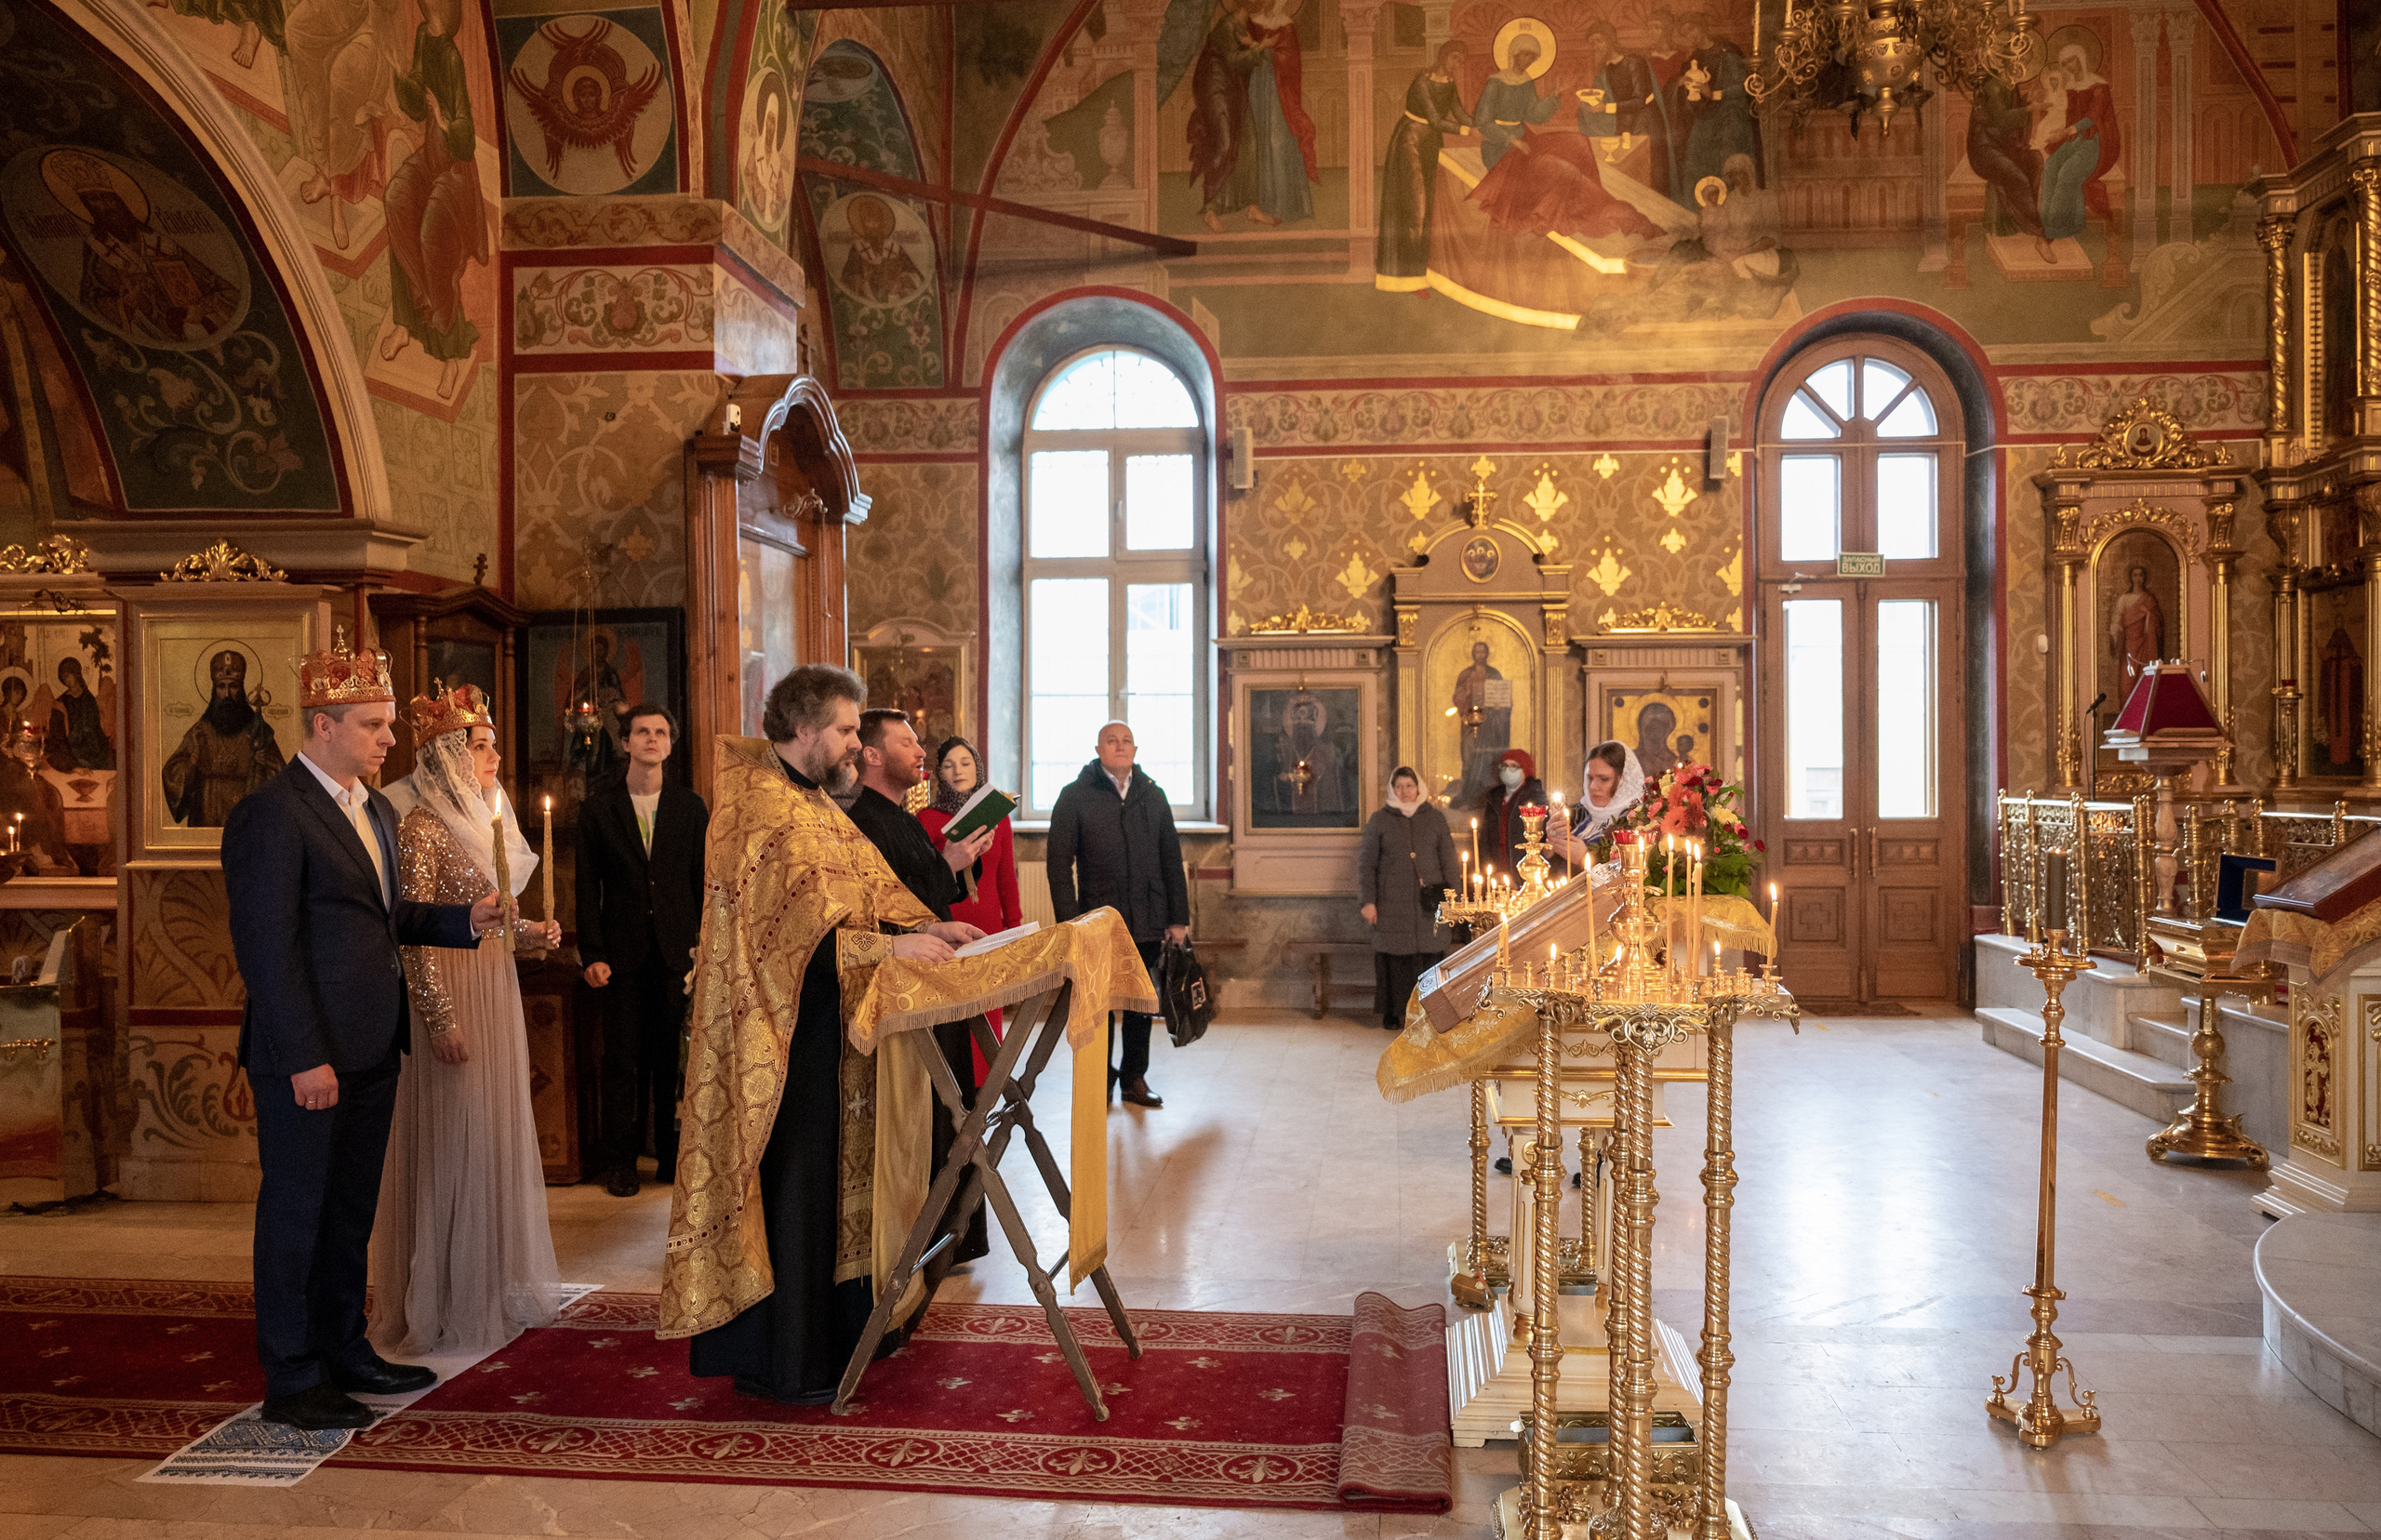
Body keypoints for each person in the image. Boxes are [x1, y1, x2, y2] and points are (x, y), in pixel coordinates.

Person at [664, 666, 981, 1403]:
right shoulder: (756, 806)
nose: (852, 744)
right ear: (803, 728)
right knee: (797, 1185)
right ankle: (786, 1360)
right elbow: (775, 940)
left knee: (836, 1186)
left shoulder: (811, 801)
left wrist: (925, 923)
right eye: (844, 729)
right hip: (779, 1042)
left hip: (832, 1033)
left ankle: (840, 1340)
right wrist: (887, 950)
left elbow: (864, 887)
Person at [221, 635, 504, 1430]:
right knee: (298, 1215)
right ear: (323, 725)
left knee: (350, 1214)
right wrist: (305, 1055)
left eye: (386, 725)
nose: (389, 739)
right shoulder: (272, 815)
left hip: (374, 1049)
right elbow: (267, 949)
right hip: (308, 1059)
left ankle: (346, 1349)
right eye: (374, 725)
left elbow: (386, 918)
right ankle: (293, 1374)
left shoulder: (373, 807)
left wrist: (463, 920)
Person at [370, 684, 567, 1355]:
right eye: (480, 748)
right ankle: (444, 1298)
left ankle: (490, 1283)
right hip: (450, 996)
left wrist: (536, 933)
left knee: (491, 1134)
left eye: (492, 748)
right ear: (448, 757)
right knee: (454, 1139)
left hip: (493, 984)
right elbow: (413, 932)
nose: (493, 761)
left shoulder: (487, 820)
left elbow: (497, 924)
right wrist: (436, 1016)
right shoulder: (421, 824)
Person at [844, 708, 994, 1264]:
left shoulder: (899, 815)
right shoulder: (863, 816)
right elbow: (879, 905)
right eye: (908, 743)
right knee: (935, 1110)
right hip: (904, 986)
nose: (920, 753)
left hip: (929, 973)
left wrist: (937, 918)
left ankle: (954, 1238)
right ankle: (935, 1238)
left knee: (952, 1104)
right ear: (874, 755)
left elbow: (914, 898)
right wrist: (951, 862)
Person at [576, 702, 709, 1199]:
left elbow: (702, 882)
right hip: (622, 954)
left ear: (670, 744)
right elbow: (588, 889)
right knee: (622, 1060)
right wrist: (592, 953)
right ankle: (620, 1161)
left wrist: (704, 947)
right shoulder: (599, 808)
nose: (651, 739)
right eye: (641, 732)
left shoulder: (690, 807)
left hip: (679, 954)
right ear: (626, 743)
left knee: (671, 1062)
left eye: (661, 732)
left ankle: (672, 1159)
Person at [1046, 721, 1188, 1109]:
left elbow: (1171, 859)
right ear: (1098, 749)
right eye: (1111, 740)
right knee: (1102, 1003)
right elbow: (1059, 867)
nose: (1120, 746)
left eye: (1126, 741)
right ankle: (1101, 1077)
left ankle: (1134, 1078)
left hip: (1147, 917)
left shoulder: (1153, 796)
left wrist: (1178, 917)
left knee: (1141, 1001)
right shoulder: (1074, 796)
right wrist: (1070, 923)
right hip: (1099, 923)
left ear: (1136, 750)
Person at [917, 736, 1021, 1085]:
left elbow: (1007, 878)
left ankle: (986, 1085)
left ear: (977, 769)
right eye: (948, 765)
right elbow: (924, 878)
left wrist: (1014, 927)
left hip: (989, 924)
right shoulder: (926, 819)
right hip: (949, 923)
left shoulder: (998, 818)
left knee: (988, 1010)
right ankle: (954, 1085)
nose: (957, 770)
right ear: (938, 774)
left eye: (965, 763)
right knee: (953, 1011)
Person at [1359, 767, 1459, 1030]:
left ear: (1419, 788)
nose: (1404, 792)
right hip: (1391, 902)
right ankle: (1393, 1012)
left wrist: (1454, 898)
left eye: (1409, 786)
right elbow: (1366, 865)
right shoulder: (1379, 820)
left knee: (1430, 955)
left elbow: (1449, 861)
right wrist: (1368, 901)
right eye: (1399, 786)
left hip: (1430, 903)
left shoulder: (1435, 819)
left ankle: (1431, 1010)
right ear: (1392, 789)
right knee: (1395, 959)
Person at [1374, 40, 1470, 290]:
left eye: (1461, 61)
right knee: (1416, 207)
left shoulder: (1449, 85)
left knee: (1430, 210)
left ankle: (1422, 274)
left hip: (1431, 147)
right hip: (1410, 143)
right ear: (1443, 56)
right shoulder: (1422, 83)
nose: (1456, 65)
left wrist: (1485, 125)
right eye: (1454, 58)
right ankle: (1408, 277)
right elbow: (1436, 119)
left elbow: (1460, 113)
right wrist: (1467, 130)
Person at [162, 649, 286, 828]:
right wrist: (192, 762)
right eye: (221, 687)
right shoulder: (200, 732)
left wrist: (269, 763)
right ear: (214, 690)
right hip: (207, 815)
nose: (227, 694)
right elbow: (171, 772)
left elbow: (282, 775)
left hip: (246, 821)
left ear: (242, 689)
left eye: (233, 686)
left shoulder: (258, 731)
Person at [1471, 33, 1557, 172]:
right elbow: (1483, 121)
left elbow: (1533, 115)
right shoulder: (1495, 82)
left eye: (1533, 57)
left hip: (1521, 139)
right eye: (1526, 54)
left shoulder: (1527, 82)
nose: (1529, 60)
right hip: (1496, 144)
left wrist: (1554, 96)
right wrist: (1512, 140)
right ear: (1515, 53)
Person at [1552, 739, 1647, 866]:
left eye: (1603, 779)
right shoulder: (1578, 813)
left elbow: (1631, 877)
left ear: (1623, 781)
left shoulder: (1637, 823)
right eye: (1590, 778)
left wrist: (1584, 858)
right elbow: (1555, 869)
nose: (1593, 786)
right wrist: (1552, 842)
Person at [1480, 747, 1546, 881]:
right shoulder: (1494, 798)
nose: (1507, 770)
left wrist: (1517, 878)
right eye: (1504, 766)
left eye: (1514, 766)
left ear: (1525, 770)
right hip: (1497, 872)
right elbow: (1485, 840)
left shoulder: (1536, 798)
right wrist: (1492, 873)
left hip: (1525, 873)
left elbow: (1542, 841)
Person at [46, 658, 113, 772]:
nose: (67, 680)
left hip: (93, 748)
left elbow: (95, 726)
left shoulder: (88, 698)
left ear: (76, 673)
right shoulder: (61, 702)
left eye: (69, 675)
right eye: (64, 678)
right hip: (71, 749)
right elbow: (57, 734)